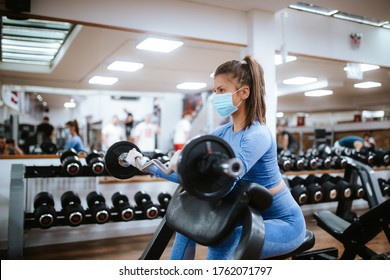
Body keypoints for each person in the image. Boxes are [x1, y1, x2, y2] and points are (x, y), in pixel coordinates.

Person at [126, 55, 306, 259]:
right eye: (215, 91)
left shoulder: (258, 135)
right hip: (247, 214)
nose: (216, 96)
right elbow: (194, 178)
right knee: (186, 226)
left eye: (222, 90)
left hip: (283, 223)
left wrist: (189, 170)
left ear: (244, 92)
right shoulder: (221, 134)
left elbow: (224, 183)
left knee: (222, 242)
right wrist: (145, 164)